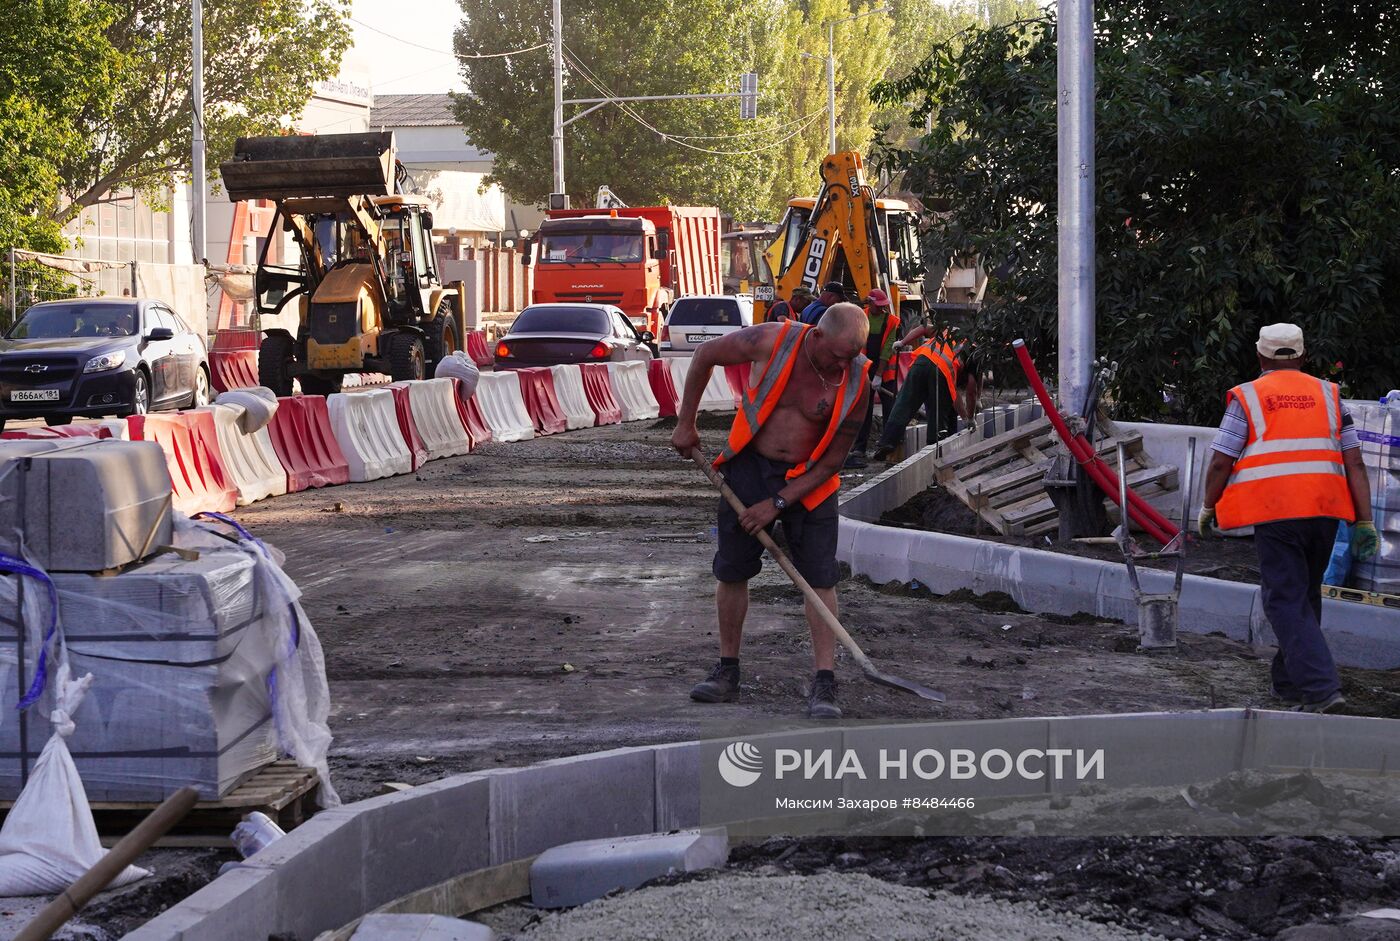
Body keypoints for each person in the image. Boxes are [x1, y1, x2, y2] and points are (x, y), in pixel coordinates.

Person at [671, 304, 871, 719]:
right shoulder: (770, 341)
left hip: (809, 479)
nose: (842, 365)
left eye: (850, 358)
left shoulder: (856, 382)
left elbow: (832, 463)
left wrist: (778, 503)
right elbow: (705, 354)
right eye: (836, 355)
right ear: (816, 336)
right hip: (749, 466)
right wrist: (685, 422)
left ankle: (825, 681)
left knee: (819, 579)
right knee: (731, 570)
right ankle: (727, 670)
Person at [1199, 323, 1378, 714]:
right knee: (1304, 595)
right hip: (1325, 511)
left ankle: (1321, 690)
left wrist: (1208, 506)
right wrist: (1364, 520)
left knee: (1283, 599)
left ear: (1260, 356)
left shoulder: (1248, 397)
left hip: (1276, 512)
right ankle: (1290, 684)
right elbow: (1355, 462)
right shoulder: (1329, 396)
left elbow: (1220, 462)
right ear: (1303, 356)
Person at [870, 325, 979, 462]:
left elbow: (923, 327)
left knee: (903, 404)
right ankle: (935, 451)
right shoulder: (975, 352)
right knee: (938, 413)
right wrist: (968, 418)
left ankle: (887, 442)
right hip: (940, 372)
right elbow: (971, 391)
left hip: (920, 363)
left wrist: (902, 342)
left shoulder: (949, 330)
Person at [847, 288, 901, 467]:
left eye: (882, 306)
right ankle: (859, 447)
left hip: (885, 372)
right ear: (869, 302)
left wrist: (878, 375)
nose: (881, 309)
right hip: (864, 368)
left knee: (889, 408)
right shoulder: (860, 317)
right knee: (864, 408)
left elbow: (887, 349)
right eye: (877, 305)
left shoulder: (891, 321)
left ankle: (887, 445)